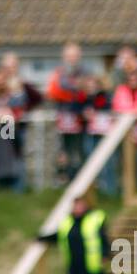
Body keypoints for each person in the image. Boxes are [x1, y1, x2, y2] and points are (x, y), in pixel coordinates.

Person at [46, 41, 89, 180]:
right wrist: (76, 87)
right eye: (69, 55)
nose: (72, 58)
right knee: (64, 151)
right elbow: (54, 92)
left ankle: (82, 181)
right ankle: (66, 179)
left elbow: (89, 90)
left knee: (81, 151)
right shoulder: (58, 73)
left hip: (81, 120)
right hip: (63, 120)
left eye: (75, 55)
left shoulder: (86, 72)